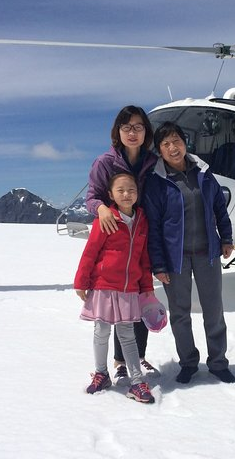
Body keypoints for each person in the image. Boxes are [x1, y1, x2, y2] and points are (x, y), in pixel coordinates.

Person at [144, 121, 235, 384]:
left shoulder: (204, 174)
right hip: (176, 259)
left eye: (176, 141)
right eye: (165, 144)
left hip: (207, 252)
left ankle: (218, 363)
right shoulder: (157, 182)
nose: (173, 148)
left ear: (185, 143)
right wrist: (159, 265)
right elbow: (154, 227)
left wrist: (226, 237)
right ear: (159, 151)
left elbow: (219, 207)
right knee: (180, 313)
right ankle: (188, 363)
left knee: (214, 310)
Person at [85, 105, 158, 383]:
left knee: (140, 297)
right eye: (126, 127)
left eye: (138, 127)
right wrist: (101, 209)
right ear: (117, 132)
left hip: (143, 234)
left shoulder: (152, 162)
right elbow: (92, 196)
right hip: (116, 239)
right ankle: (119, 362)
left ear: (146, 132)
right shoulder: (105, 162)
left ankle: (136, 357)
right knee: (117, 302)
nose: (132, 132)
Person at [75, 173, 156, 404]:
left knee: (127, 335)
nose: (126, 194)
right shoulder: (106, 219)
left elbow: (143, 258)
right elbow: (90, 252)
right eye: (120, 190)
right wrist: (81, 281)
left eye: (131, 189)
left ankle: (137, 382)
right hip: (103, 285)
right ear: (110, 195)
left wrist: (146, 286)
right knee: (101, 332)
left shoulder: (142, 220)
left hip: (129, 287)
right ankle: (101, 373)